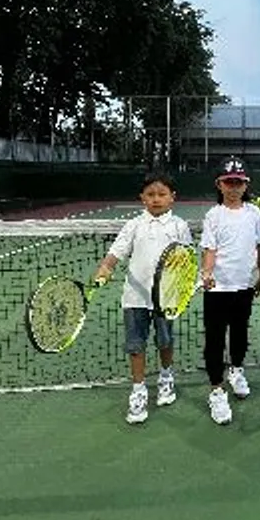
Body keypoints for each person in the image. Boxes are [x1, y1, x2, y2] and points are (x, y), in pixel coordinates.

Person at [94, 170, 193, 425]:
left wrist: (182, 284)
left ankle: (166, 378)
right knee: (136, 346)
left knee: (165, 341)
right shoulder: (133, 225)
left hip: (166, 299)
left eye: (162, 194)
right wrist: (106, 267)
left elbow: (187, 258)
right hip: (135, 298)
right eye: (151, 194)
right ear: (142, 198)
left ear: (172, 197)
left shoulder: (179, 226)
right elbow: (116, 252)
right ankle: (138, 390)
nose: (156, 199)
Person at [200, 156, 260, 425]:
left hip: (244, 286)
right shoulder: (213, 215)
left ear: (246, 184)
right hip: (217, 288)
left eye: (238, 182)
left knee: (240, 333)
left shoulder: (254, 213)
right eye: (229, 182)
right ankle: (216, 390)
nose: (234, 187)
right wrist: (207, 273)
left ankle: (236, 371)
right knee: (215, 339)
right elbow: (210, 249)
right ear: (220, 184)